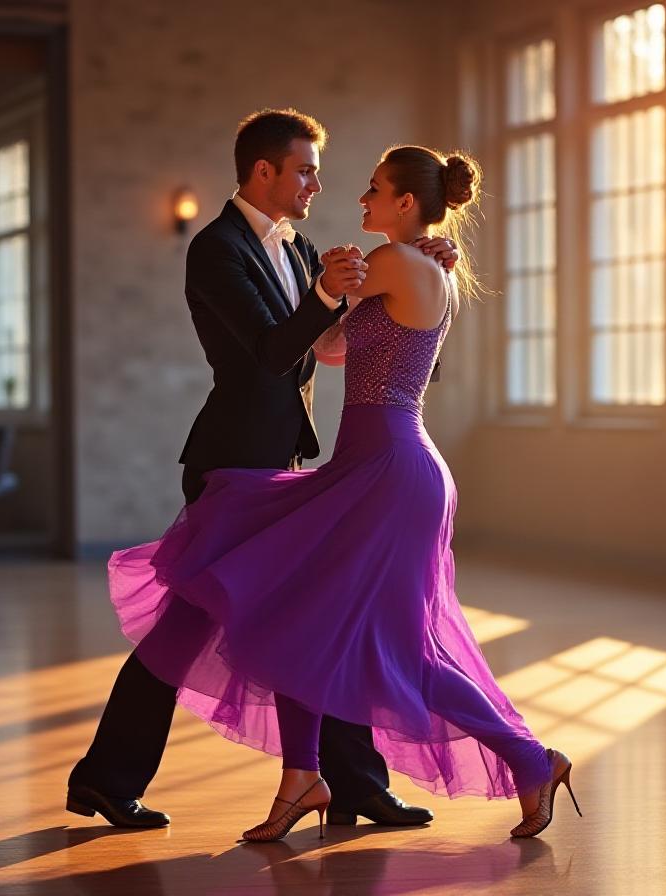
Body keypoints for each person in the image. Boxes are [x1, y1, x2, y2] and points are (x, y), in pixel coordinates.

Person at [106, 145, 581, 842]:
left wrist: (340, 283)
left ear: (407, 204)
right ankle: (303, 776)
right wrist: (338, 291)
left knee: (405, 652)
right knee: (305, 618)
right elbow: (330, 348)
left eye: (375, 189)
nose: (360, 199)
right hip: (380, 464)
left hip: (387, 468)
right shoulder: (419, 266)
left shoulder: (395, 263)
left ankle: (531, 760)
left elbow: (322, 340)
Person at [68, 109, 454, 830]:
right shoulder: (215, 249)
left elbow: (340, 338)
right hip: (229, 468)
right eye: (305, 169)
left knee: (315, 620)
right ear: (264, 171)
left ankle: (350, 782)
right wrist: (328, 295)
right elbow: (272, 351)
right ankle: (108, 776)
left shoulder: (303, 248)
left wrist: (422, 273)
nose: (316, 183)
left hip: (283, 465)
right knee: (188, 625)